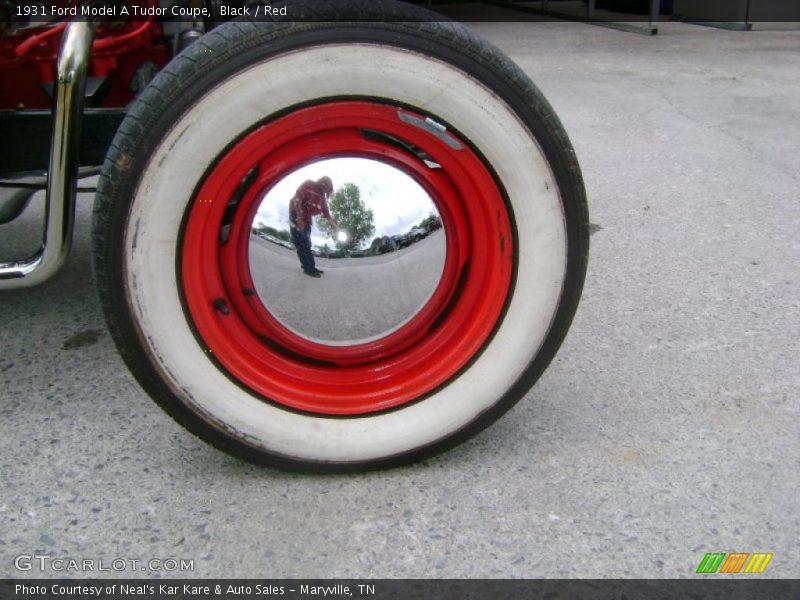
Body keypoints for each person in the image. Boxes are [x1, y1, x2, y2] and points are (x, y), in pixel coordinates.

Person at [288, 176, 339, 277]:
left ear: (329, 189)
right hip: (295, 213)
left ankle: (311, 266)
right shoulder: (309, 184)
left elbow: (328, 216)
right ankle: (308, 268)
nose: (325, 185)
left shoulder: (323, 200)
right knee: (300, 241)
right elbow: (297, 198)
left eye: (328, 185)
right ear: (320, 181)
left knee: (307, 243)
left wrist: (336, 227)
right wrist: (299, 218)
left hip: (307, 219)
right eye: (324, 182)